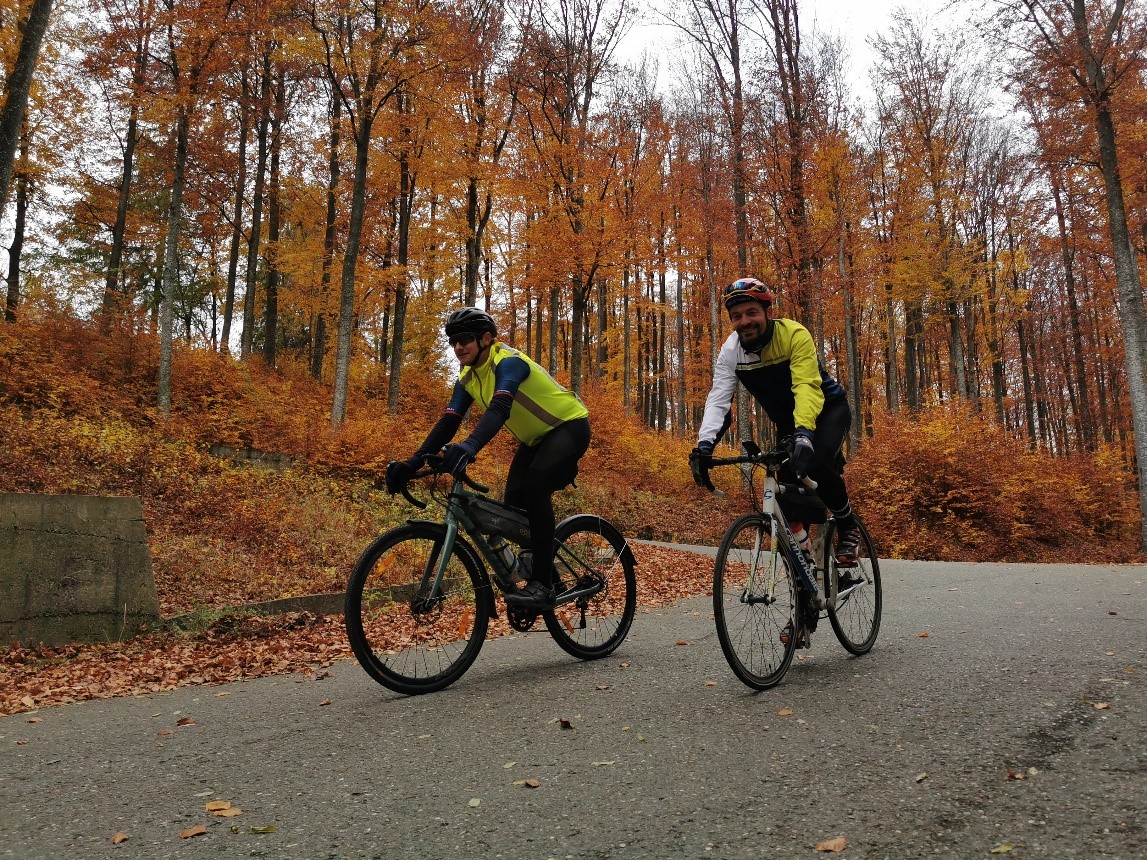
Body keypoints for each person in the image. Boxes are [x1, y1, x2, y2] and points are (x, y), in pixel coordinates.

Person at [385, 307, 591, 610]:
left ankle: (543, 586)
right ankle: (546, 575)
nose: (458, 347)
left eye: (465, 339)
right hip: (536, 439)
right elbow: (448, 421)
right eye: (453, 341)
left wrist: (469, 447)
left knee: (534, 490)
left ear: (486, 339)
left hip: (569, 426)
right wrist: (412, 462)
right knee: (515, 506)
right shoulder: (468, 377)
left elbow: (499, 408)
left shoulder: (508, 363)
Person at [689, 277, 862, 566]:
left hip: (827, 410)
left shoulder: (794, 335)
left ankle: (847, 524)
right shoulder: (731, 351)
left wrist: (805, 434)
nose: (744, 321)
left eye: (752, 313)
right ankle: (805, 567)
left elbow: (807, 386)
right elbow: (719, 399)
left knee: (816, 464)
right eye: (736, 316)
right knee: (785, 498)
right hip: (788, 424)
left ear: (768, 312)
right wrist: (704, 446)